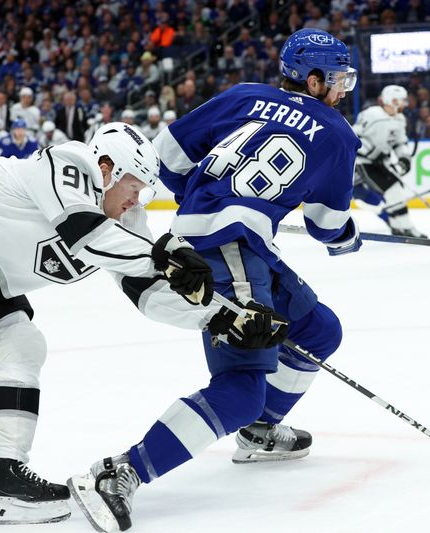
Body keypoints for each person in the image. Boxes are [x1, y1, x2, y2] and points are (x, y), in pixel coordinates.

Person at [68, 28, 362, 532]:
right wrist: (348, 236)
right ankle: (120, 473)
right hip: (232, 254)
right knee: (241, 388)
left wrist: (213, 192)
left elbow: (167, 158)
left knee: (318, 331)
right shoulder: (337, 132)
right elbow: (326, 225)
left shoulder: (244, 95)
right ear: (313, 80)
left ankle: (259, 433)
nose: (342, 90)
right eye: (336, 80)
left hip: (217, 243)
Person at [0, 122, 241, 531]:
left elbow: (149, 293)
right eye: (134, 186)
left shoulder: (124, 222)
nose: (135, 201)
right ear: (105, 167)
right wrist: (164, 254)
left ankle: (6, 479)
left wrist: (222, 315)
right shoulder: (69, 161)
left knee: (22, 346)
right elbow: (84, 232)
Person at [351, 85, 426, 238]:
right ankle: (406, 227)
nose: (404, 103)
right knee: (391, 191)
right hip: (363, 163)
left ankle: (399, 226)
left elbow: (400, 142)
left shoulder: (400, 119)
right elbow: (353, 137)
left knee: (394, 191)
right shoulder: (372, 114)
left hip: (381, 162)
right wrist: (370, 151)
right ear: (392, 100)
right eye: (401, 100)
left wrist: (404, 159)